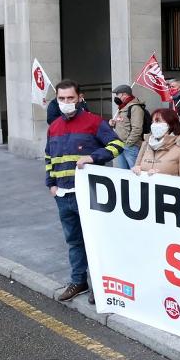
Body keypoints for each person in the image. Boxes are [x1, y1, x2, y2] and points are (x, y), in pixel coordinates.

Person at [45, 80, 125, 302]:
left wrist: (93, 157)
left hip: (89, 193)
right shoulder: (54, 127)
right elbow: (49, 157)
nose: (66, 102)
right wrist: (50, 183)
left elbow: (117, 146)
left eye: (70, 98)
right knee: (74, 242)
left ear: (79, 98)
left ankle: (99, 287)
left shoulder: (94, 122)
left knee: (95, 240)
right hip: (62, 194)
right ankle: (79, 281)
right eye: (61, 99)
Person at [131, 108, 180, 178]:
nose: (154, 125)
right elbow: (137, 166)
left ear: (170, 124)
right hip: (146, 188)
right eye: (152, 122)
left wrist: (161, 178)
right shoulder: (146, 144)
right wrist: (137, 170)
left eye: (158, 121)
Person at [109, 85, 147, 170]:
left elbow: (137, 128)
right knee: (124, 173)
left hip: (131, 146)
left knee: (134, 173)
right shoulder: (123, 107)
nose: (116, 97)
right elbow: (125, 125)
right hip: (121, 145)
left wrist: (128, 144)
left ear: (125, 95)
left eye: (118, 95)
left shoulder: (135, 107)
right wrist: (114, 124)